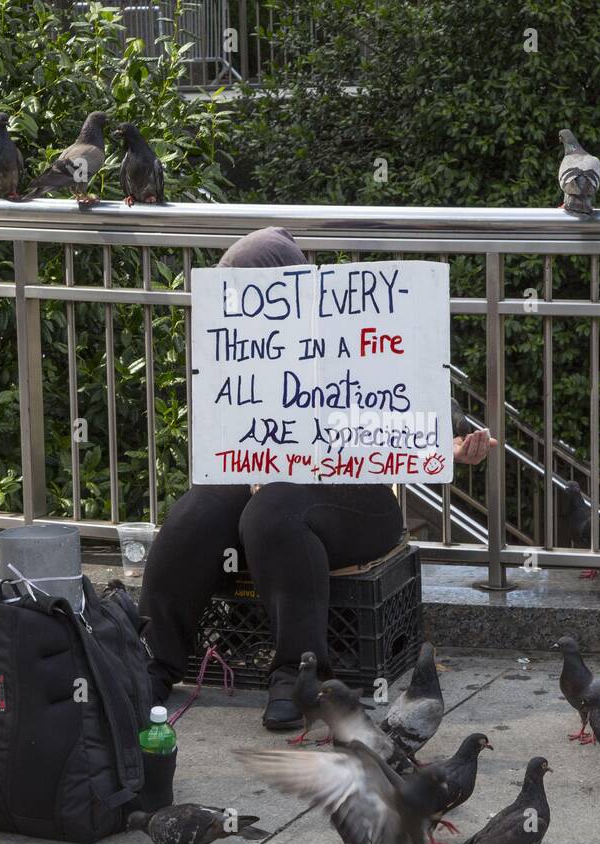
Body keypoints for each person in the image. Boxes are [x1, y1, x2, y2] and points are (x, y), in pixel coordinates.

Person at [138, 227, 494, 729]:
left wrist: (454, 444)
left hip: (355, 501)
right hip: (268, 480)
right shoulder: (238, 349)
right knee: (195, 513)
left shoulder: (347, 338)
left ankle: (296, 675)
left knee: (273, 512)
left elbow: (416, 400)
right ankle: (155, 663)